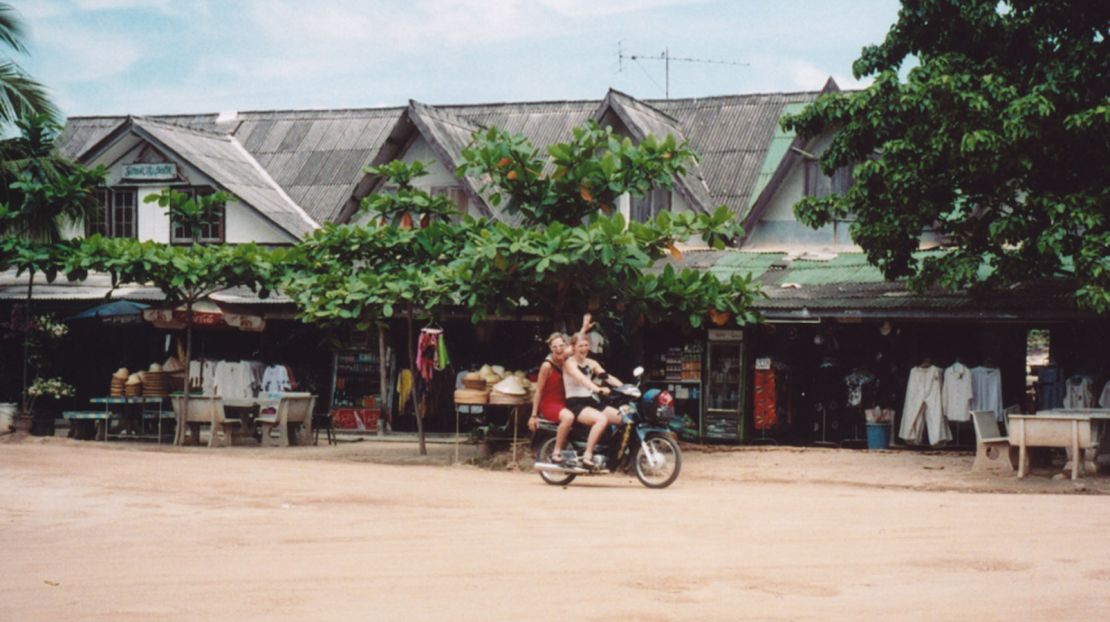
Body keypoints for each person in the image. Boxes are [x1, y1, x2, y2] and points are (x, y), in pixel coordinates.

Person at [527, 315, 593, 463]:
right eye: (554, 347)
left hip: (565, 401)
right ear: (550, 348)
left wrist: (584, 327)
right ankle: (556, 452)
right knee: (568, 417)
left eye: (561, 346)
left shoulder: (565, 356)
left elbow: (576, 343)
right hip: (550, 403)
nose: (558, 349)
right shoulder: (547, 366)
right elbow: (539, 390)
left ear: (565, 346)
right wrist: (534, 415)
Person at [562, 331, 623, 468]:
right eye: (580, 346)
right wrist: (598, 389)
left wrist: (625, 388)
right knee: (601, 420)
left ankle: (610, 454)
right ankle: (587, 455)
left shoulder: (591, 363)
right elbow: (582, 379)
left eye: (586, 345)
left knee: (623, 418)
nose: (584, 349)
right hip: (575, 402)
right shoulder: (569, 364)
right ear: (573, 347)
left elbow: (607, 377)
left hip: (590, 401)